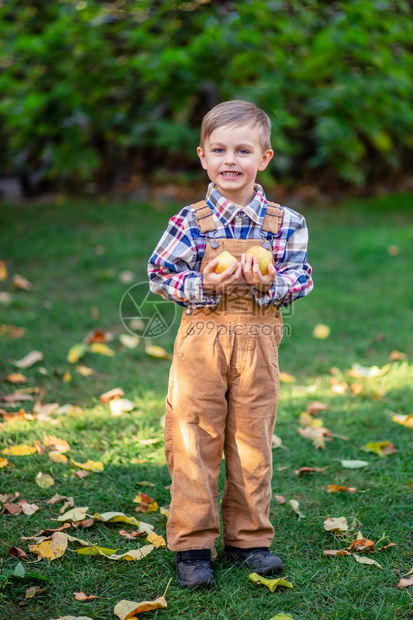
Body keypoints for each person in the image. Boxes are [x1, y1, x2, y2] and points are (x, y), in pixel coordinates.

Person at [148, 100, 313, 588]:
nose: (230, 160)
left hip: (259, 341)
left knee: (252, 441)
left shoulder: (286, 222)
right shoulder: (189, 220)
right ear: (202, 156)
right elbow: (159, 274)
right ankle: (193, 544)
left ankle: (249, 541)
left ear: (264, 158)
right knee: (193, 436)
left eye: (243, 150)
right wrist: (205, 286)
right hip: (201, 339)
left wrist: (267, 284)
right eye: (219, 149)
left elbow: (300, 277)